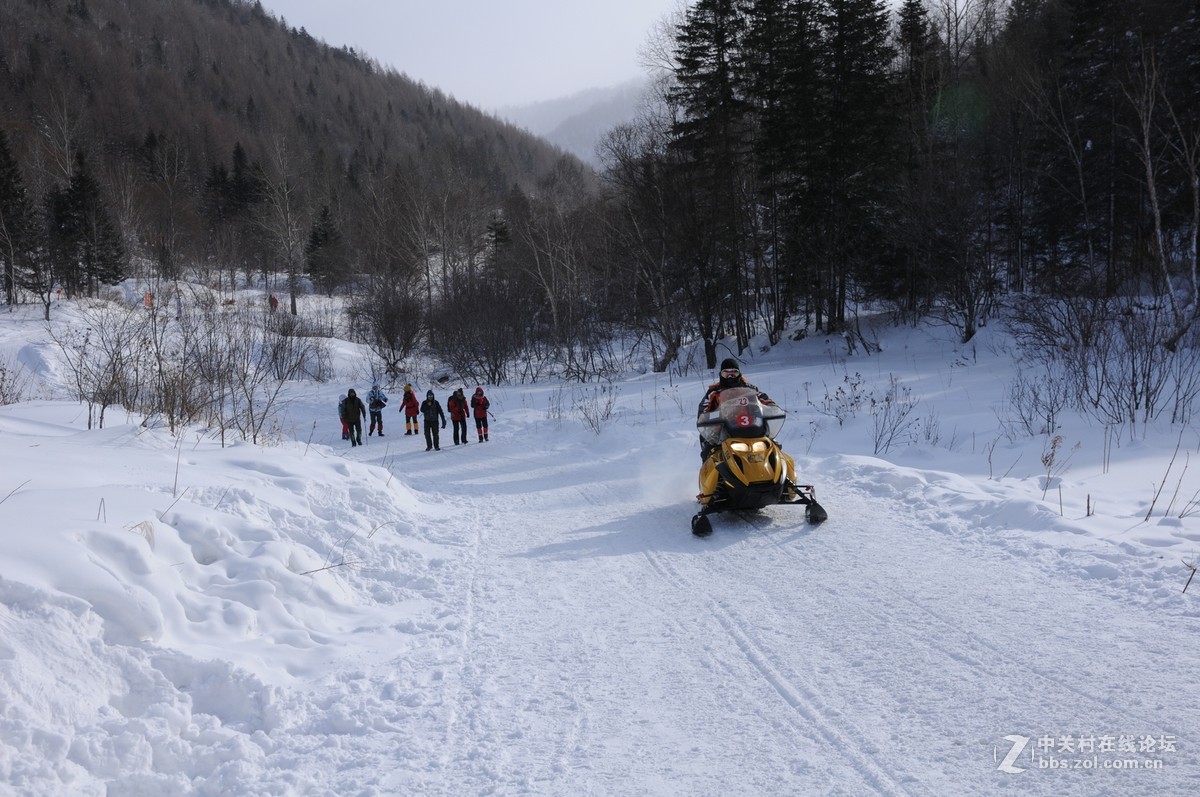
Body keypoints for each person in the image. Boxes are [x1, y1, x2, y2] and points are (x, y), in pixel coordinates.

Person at [697, 358, 772, 460]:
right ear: (721, 374)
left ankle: (782, 472)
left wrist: (772, 406)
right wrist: (709, 418)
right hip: (723, 432)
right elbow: (704, 409)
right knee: (709, 452)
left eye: (734, 373)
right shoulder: (714, 391)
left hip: (751, 428)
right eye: (726, 374)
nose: (730, 377)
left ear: (739, 374)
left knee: (772, 445)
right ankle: (710, 472)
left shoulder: (750, 389)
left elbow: (762, 398)